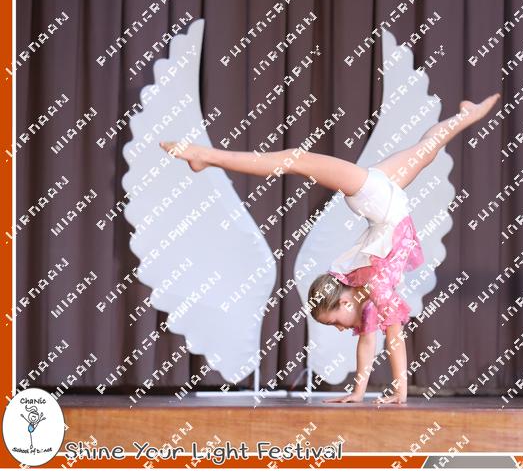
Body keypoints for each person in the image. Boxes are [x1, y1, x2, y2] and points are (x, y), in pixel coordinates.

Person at [159, 92, 501, 405]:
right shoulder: (371, 291)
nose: (340, 329)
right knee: (423, 147)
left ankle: (204, 156)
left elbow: (382, 339)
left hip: (377, 198)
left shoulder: (371, 286)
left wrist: (383, 390)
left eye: (335, 322)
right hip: (381, 199)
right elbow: (379, 340)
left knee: (300, 159)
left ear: (346, 301)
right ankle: (467, 115)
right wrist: (376, 390)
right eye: (336, 325)